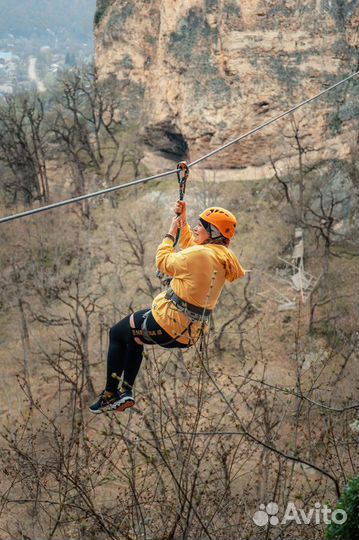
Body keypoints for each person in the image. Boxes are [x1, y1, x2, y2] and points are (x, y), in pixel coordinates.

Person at [89, 201, 245, 413]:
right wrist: (184, 220)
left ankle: (109, 394)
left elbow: (163, 261)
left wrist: (171, 232)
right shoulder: (219, 255)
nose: (197, 228)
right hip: (188, 332)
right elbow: (192, 246)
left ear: (212, 232)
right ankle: (124, 393)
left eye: (201, 226)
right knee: (133, 337)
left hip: (168, 323)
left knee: (117, 333)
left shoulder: (201, 255)